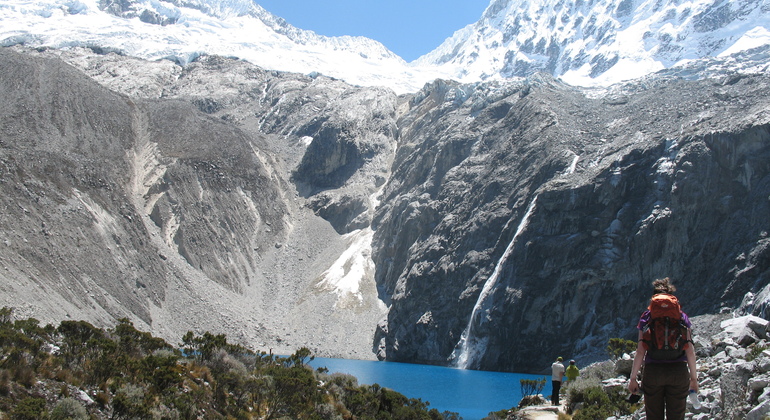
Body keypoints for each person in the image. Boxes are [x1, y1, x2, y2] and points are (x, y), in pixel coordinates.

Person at [627, 277, 698, 420]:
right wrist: (694, 379)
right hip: (678, 372)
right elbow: (689, 350)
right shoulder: (681, 317)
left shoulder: (647, 317)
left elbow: (640, 350)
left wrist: (633, 378)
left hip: (653, 372)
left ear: (653, 298)